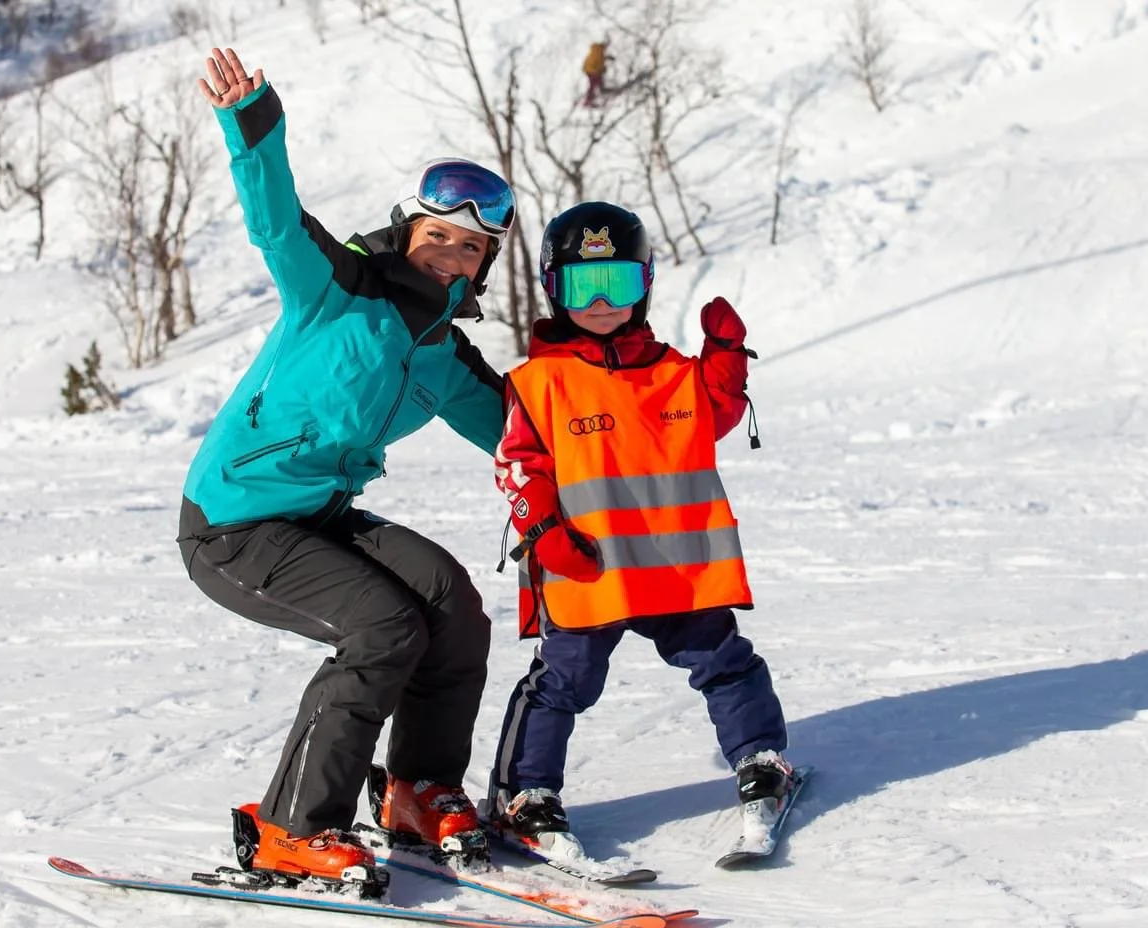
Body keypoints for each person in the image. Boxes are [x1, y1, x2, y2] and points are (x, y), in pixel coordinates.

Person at [176, 47, 517, 894]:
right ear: (409, 232)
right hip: (235, 521)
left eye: (471, 248)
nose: (451, 255)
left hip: (320, 517)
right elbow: (277, 220)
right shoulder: (338, 288)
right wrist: (253, 123)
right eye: (439, 235)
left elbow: (524, 435)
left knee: (449, 600)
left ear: (484, 264)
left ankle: (416, 790)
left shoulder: (443, 354)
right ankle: (294, 825)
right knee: (382, 628)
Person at [483, 201, 792, 863]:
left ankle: (761, 759)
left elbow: (713, 415)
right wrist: (543, 531)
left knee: (724, 664)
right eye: (581, 286)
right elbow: (518, 465)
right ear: (551, 289)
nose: (600, 302)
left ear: (645, 285)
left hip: (679, 569)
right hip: (589, 567)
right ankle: (525, 794)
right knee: (563, 682)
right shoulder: (537, 384)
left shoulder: (677, 371)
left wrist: (728, 360)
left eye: (616, 284)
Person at [581, 40, 609, 108]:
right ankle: (587, 101)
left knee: (599, 80)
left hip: (593, 70)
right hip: (590, 71)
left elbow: (600, 60)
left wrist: (607, 58)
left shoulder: (599, 51)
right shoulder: (597, 53)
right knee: (593, 84)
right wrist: (599, 71)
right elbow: (592, 64)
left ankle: (602, 90)